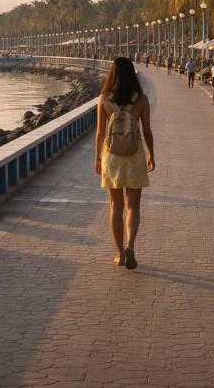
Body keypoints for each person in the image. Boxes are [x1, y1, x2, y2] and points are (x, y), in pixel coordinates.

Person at [94, 57, 155, 270]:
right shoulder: (141, 100)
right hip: (134, 156)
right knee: (133, 206)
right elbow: (147, 131)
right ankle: (130, 245)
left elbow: (100, 132)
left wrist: (97, 158)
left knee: (115, 206)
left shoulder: (104, 99)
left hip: (112, 157)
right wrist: (151, 155)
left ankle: (119, 253)